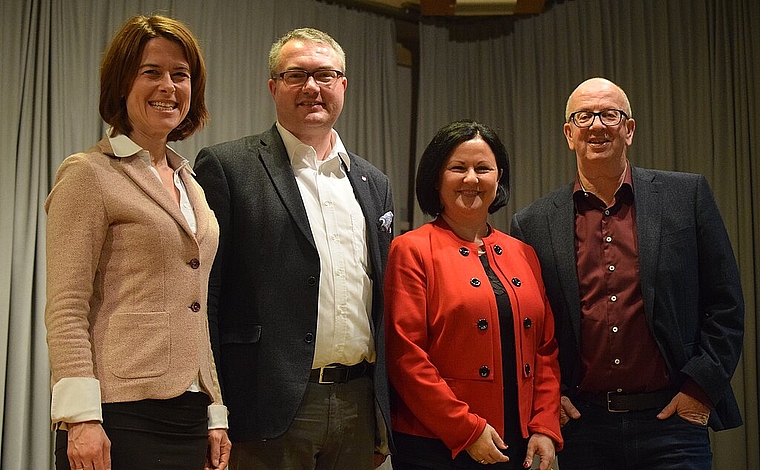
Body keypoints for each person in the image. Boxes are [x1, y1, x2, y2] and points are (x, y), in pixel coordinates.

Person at [510, 77, 745, 469]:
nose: (597, 126)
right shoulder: (532, 223)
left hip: (671, 423)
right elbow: (530, 329)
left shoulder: (686, 196)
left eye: (610, 115)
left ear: (629, 129)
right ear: (569, 134)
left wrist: (701, 389)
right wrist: (550, 400)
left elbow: (726, 304)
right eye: (584, 116)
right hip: (582, 429)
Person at [193, 28, 394, 469]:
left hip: (358, 405)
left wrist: (382, 412)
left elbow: (381, 300)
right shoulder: (227, 167)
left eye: (325, 75)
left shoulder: (373, 182)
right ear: (273, 87)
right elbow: (205, 298)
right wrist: (213, 408)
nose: (311, 88)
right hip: (266, 406)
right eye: (295, 75)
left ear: (343, 85)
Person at [45, 14, 231, 470]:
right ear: (121, 83)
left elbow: (195, 305)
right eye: (151, 72)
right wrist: (81, 419)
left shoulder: (192, 184)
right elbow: (66, 307)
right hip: (117, 412)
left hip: (189, 414)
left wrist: (215, 410)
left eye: (180, 75)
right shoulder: (88, 173)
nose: (168, 86)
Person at [384, 119, 562, 470]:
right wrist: (466, 430)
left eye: (483, 168)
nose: (471, 179)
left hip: (518, 443)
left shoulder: (523, 253)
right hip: (435, 444)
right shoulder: (410, 250)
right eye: (457, 168)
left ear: (499, 179)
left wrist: (544, 424)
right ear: (437, 178)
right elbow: (406, 357)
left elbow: (545, 350)